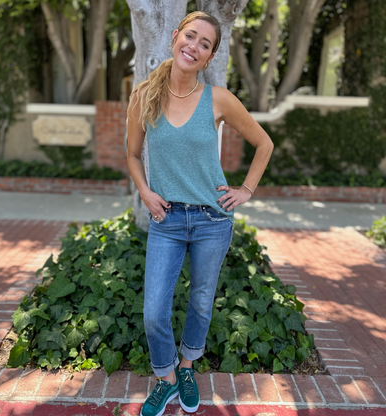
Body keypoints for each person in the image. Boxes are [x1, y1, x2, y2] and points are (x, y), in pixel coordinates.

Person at [127, 11, 273, 416]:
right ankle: (166, 378)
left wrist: (246, 190)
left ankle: (187, 366)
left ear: (209, 57)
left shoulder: (219, 99)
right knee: (154, 310)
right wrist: (145, 191)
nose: (194, 46)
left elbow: (265, 144)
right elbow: (132, 154)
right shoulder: (144, 95)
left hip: (212, 222)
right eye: (190, 36)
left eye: (204, 43)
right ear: (175, 37)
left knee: (201, 303)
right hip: (167, 221)